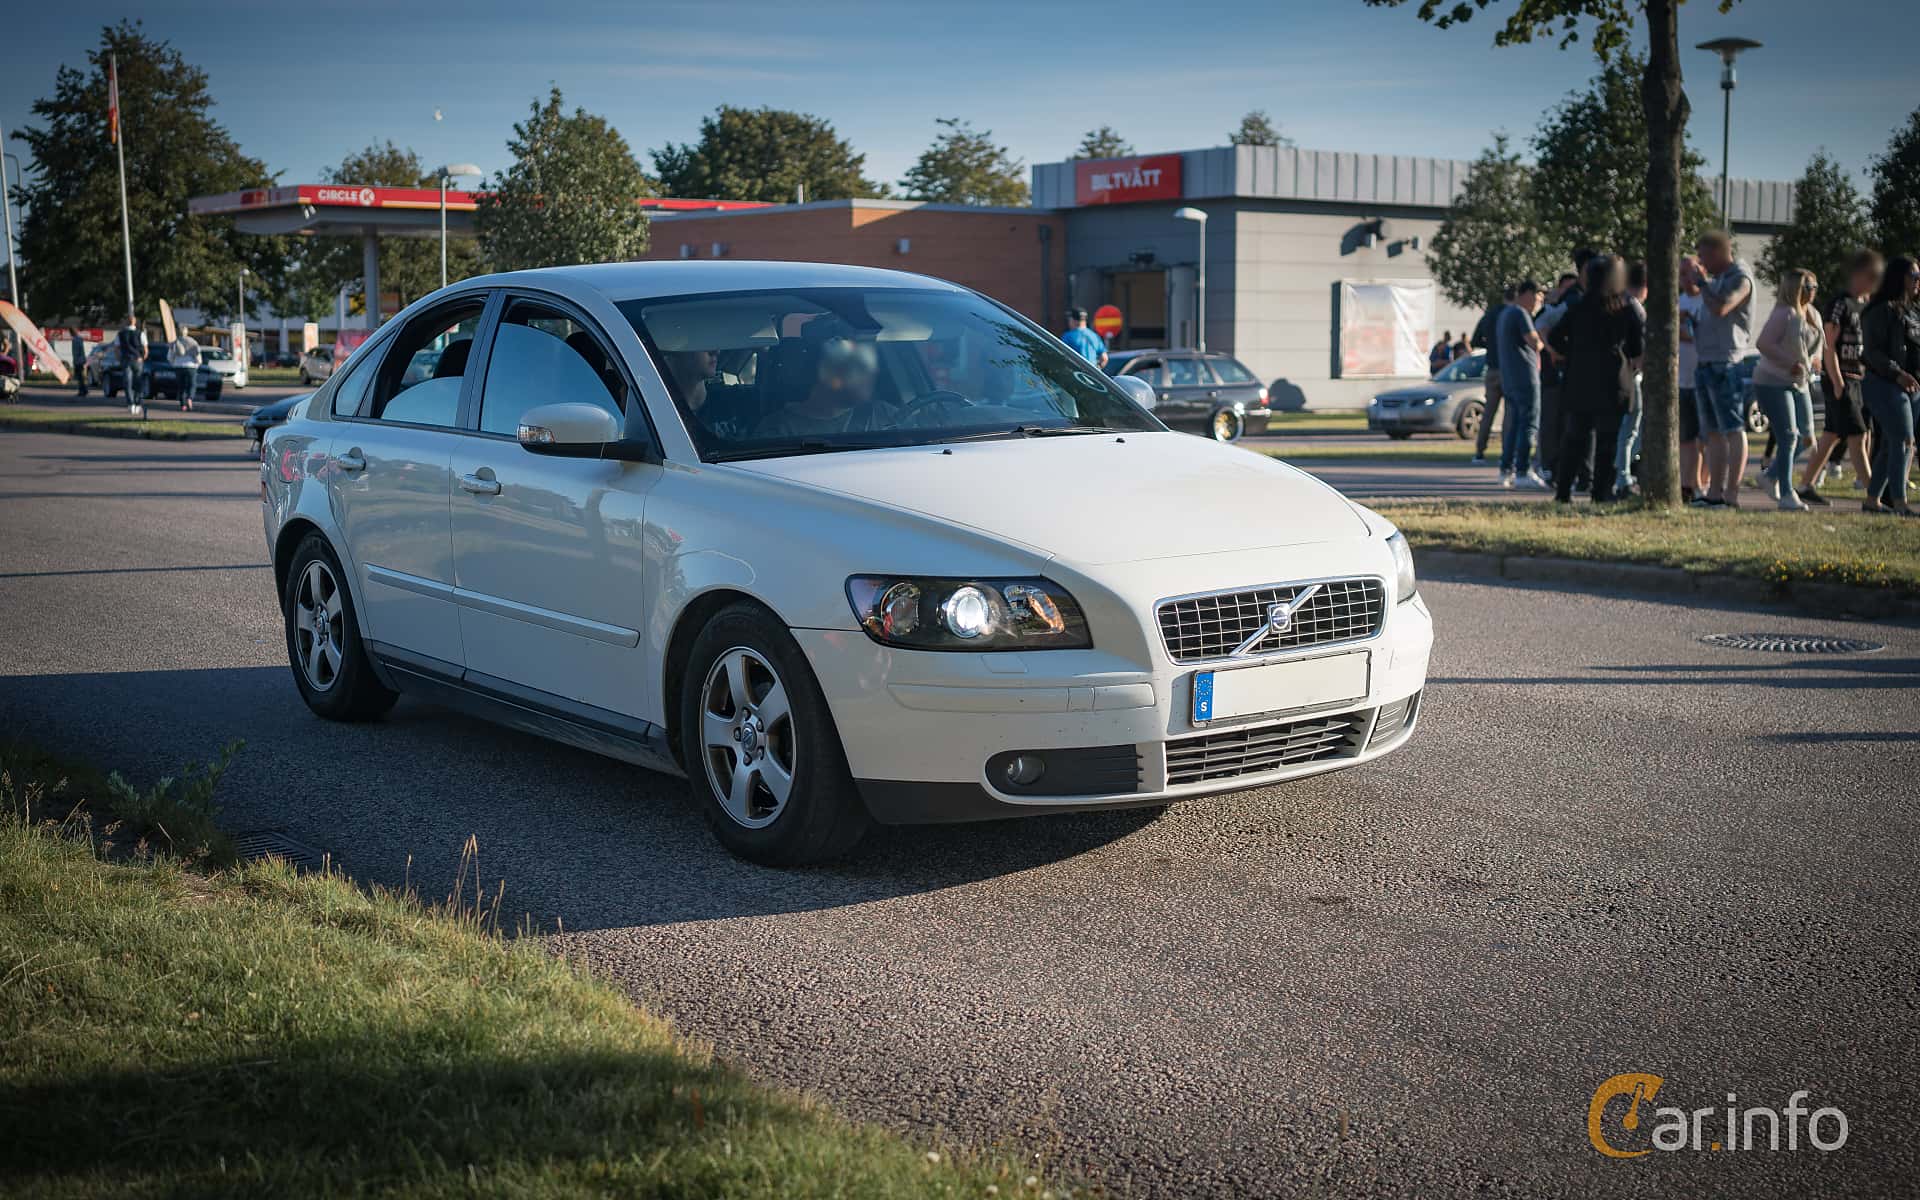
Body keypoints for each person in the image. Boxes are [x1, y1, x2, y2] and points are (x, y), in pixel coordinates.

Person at [1546, 255, 1642, 504]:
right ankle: (1600, 491)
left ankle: (1563, 491)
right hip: (1613, 381)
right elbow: (1635, 347)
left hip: (1580, 380)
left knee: (1575, 437)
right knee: (1608, 440)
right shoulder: (1624, 309)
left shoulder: (1578, 306)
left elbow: (1555, 337)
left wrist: (1572, 355)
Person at [1797, 250, 1882, 507]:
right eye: (1871, 276)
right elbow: (1829, 346)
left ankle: (1805, 485)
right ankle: (1873, 497)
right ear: (1858, 275)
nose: (1874, 281)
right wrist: (1836, 381)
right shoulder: (1839, 304)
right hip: (1840, 377)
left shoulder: (1865, 304)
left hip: (1858, 377)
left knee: (1832, 434)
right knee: (1857, 435)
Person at [1690, 231, 1755, 508]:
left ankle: (1731, 495)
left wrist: (1703, 285)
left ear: (1718, 252)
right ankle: (1714, 493)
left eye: (1704, 257)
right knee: (1713, 433)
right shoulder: (1717, 280)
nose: (1703, 264)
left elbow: (1722, 308)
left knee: (1732, 428)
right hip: (1706, 363)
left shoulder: (1739, 277)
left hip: (1726, 364)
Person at [1750, 268, 1824, 512]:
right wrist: (1789, 362)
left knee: (1807, 439)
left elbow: (1811, 345)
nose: (1813, 292)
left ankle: (1770, 476)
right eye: (1808, 287)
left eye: (1815, 287)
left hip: (1799, 382)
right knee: (1789, 436)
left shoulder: (1811, 313)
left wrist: (1814, 360)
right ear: (1796, 289)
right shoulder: (1784, 313)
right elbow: (1764, 343)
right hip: (1773, 380)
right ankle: (1787, 493)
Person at [1859, 254, 1920, 515]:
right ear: (1899, 278)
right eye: (1914, 276)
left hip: (1911, 386)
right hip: (1885, 383)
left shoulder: (1912, 310)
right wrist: (1897, 374)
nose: (1918, 281)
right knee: (1903, 440)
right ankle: (1899, 502)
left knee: (1893, 443)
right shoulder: (1879, 309)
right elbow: (1872, 352)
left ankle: (1872, 500)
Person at [1495, 279, 1547, 489]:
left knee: (1514, 425)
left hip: (1510, 377)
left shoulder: (1504, 314)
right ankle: (1524, 471)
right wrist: (1543, 341)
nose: (1538, 303)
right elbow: (1535, 342)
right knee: (1529, 424)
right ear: (1527, 294)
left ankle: (1506, 469)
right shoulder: (1520, 314)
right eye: (1538, 298)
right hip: (1525, 376)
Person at [1611, 260, 1650, 494]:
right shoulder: (1635, 309)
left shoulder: (1618, 303)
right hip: (1631, 374)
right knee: (1630, 429)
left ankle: (1621, 471)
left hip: (1621, 374)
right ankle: (1623, 475)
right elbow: (1638, 350)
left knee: (1625, 429)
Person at [1676, 256, 1707, 500]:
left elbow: (1708, 337)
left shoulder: (1707, 301)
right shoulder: (1679, 302)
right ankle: (1689, 485)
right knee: (1686, 438)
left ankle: (1704, 483)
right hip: (1682, 379)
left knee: (1706, 438)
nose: (1685, 280)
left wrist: (1684, 332)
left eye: (1689, 274)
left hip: (1704, 379)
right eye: (1681, 275)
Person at [1469, 289, 1511, 463]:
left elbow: (1475, 341)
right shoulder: (1513, 314)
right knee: (1510, 413)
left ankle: (1480, 451)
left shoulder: (1490, 315)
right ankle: (1506, 453)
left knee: (1489, 413)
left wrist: (1491, 345)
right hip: (1509, 368)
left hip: (1492, 368)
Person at [114, 322, 147, 404]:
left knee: (128, 382)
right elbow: (145, 348)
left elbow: (117, 348)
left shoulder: (120, 334)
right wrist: (142, 358)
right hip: (137, 359)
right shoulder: (140, 333)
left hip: (126, 359)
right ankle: (138, 400)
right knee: (138, 381)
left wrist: (119, 358)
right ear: (134, 322)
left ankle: (130, 402)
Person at [71, 331, 89, 398]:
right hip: (81, 360)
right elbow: (82, 351)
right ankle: (84, 390)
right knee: (81, 376)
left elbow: (76, 352)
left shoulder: (75, 340)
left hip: (78, 361)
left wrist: (75, 361)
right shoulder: (80, 339)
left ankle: (82, 390)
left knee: (79, 376)